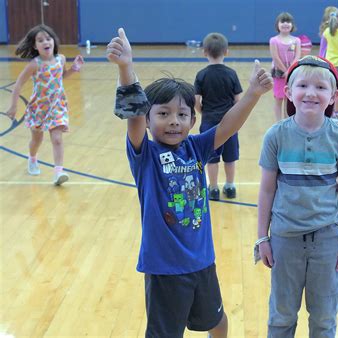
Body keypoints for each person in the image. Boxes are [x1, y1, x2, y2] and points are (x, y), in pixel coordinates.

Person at [106, 28, 272, 338]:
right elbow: (133, 115)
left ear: (192, 121)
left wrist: (252, 93)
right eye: (164, 113)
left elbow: (228, 125)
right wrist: (126, 67)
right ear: (149, 118)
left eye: (182, 114)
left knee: (219, 323)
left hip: (201, 262)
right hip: (165, 268)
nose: (174, 121)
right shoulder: (146, 154)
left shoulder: (196, 147)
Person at [256, 55, 338, 338]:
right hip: (284, 239)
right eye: (302, 85)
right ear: (288, 91)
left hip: (326, 240)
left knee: (324, 317)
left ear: (334, 95)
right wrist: (262, 236)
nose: (311, 93)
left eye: (321, 88)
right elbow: (266, 190)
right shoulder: (276, 136)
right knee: (282, 315)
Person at [6, 24, 84, 185]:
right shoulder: (35, 64)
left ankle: (58, 172)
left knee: (57, 138)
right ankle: (32, 159)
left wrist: (74, 69)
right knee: (37, 139)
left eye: (48, 38)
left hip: (57, 105)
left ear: (53, 41)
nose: (45, 42)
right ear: (35, 46)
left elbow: (62, 76)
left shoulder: (60, 59)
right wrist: (13, 106)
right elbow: (18, 84)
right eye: (40, 40)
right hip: (38, 107)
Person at [194, 33, 243, 200]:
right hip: (229, 124)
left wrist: (203, 112)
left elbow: (196, 100)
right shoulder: (231, 74)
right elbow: (238, 101)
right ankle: (230, 187)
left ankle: (213, 189)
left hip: (209, 123)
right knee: (230, 157)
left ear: (204, 52)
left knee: (212, 158)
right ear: (226, 52)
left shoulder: (201, 75)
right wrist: (232, 116)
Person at [270, 12, 301, 121]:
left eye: (288, 22)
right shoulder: (274, 40)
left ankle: (287, 120)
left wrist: (290, 71)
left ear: (292, 25)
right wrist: (285, 70)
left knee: (289, 98)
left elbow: (297, 56)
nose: (285, 24)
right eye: (282, 21)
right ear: (277, 25)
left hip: (292, 74)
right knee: (279, 98)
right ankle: (279, 122)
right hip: (279, 73)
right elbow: (275, 57)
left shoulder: (296, 40)